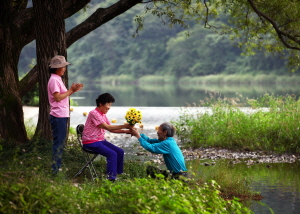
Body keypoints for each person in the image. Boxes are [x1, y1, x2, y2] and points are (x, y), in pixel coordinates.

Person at [82, 93, 134, 181]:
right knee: (112, 154)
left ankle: (117, 174)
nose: (109, 107)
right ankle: (111, 179)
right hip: (91, 142)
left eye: (110, 105)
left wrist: (127, 131)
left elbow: (112, 129)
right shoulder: (94, 113)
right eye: (108, 104)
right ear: (101, 103)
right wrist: (125, 126)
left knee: (120, 152)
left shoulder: (102, 114)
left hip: (99, 141)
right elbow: (107, 127)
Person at [47, 55, 84, 175]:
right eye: (63, 67)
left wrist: (72, 90)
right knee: (58, 144)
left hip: (61, 115)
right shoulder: (53, 80)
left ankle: (56, 169)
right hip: (58, 116)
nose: (64, 69)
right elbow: (57, 98)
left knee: (61, 143)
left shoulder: (57, 79)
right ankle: (55, 172)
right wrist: (71, 91)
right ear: (58, 67)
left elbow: (62, 96)